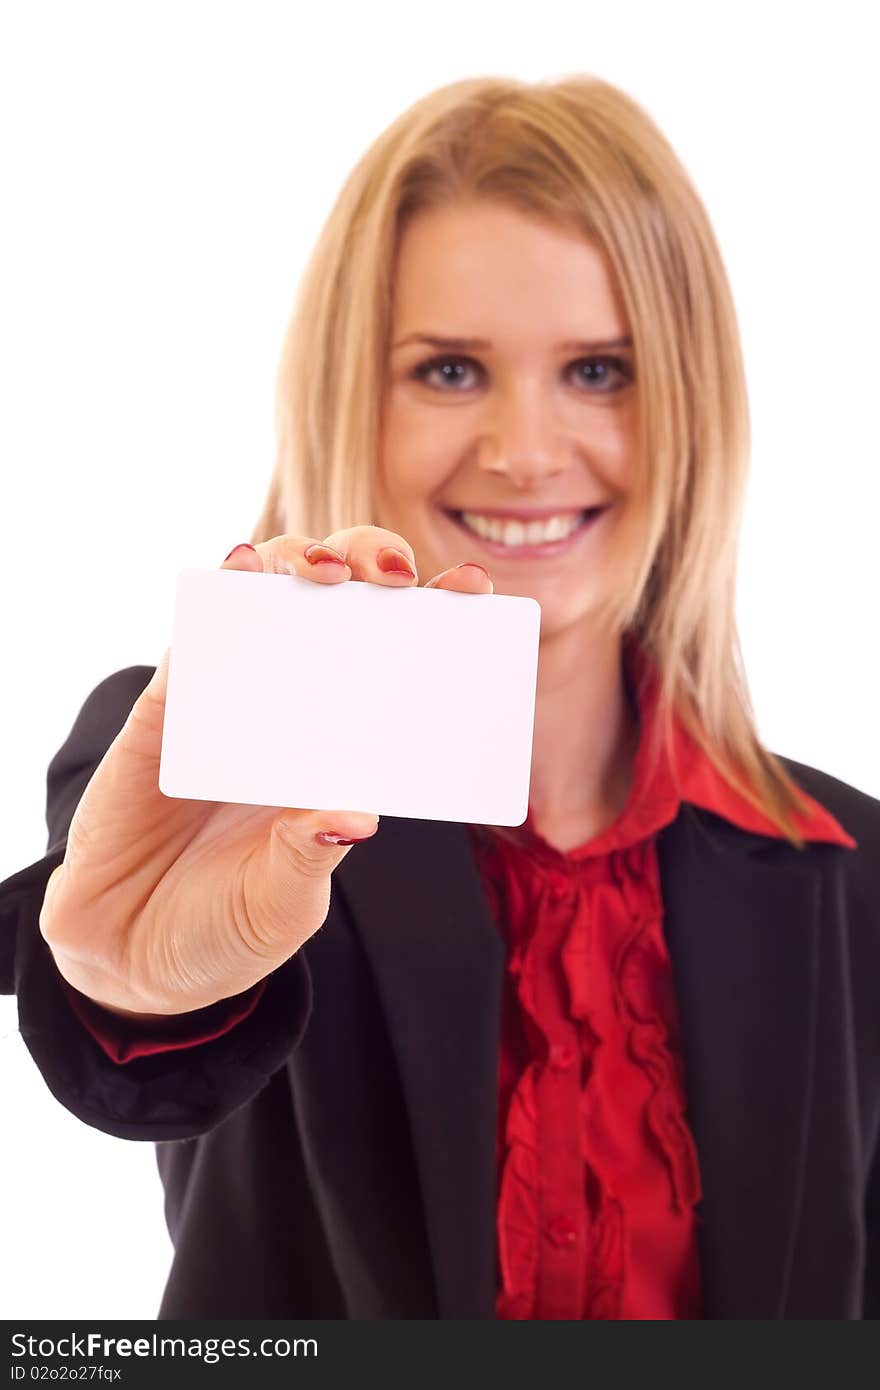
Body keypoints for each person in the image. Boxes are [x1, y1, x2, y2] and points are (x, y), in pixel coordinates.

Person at [1, 72, 878, 1322]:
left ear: (692, 404)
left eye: (599, 369)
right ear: (351, 391)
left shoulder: (851, 872)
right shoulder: (218, 761)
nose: (525, 450)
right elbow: (128, 1018)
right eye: (451, 370)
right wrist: (130, 985)